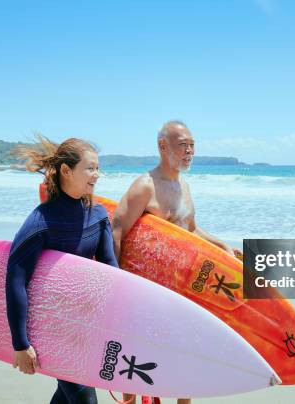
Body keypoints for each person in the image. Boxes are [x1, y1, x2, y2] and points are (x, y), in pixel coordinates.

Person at [112, 121, 239, 404]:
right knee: (139, 365)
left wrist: (222, 246)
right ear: (162, 146)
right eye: (183, 144)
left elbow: (190, 228)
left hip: (183, 288)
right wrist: (117, 284)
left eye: (193, 145)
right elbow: (116, 232)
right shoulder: (145, 186)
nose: (190, 151)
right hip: (147, 292)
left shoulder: (184, 185)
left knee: (186, 359)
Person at [6, 135, 117, 404]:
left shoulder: (98, 215)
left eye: (98, 168)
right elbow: (15, 280)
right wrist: (20, 343)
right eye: (90, 168)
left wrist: (117, 320)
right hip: (52, 328)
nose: (97, 175)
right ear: (67, 171)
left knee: (66, 399)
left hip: (84, 324)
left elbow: (110, 270)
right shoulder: (41, 222)